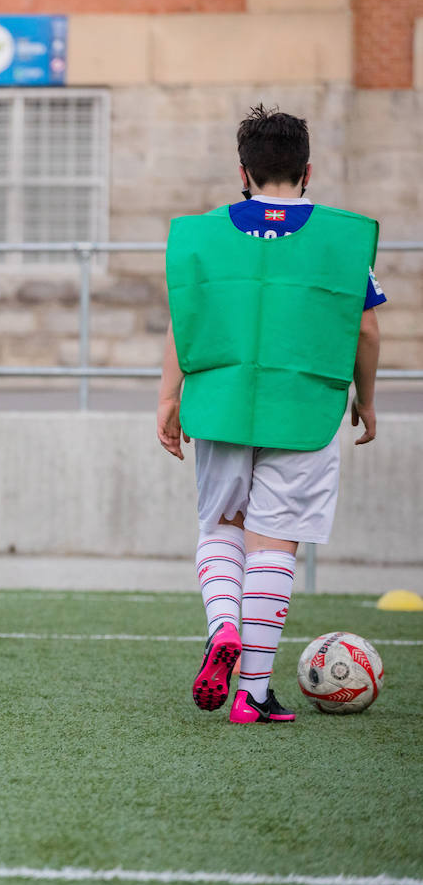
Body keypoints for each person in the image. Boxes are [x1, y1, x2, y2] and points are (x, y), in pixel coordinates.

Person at [158, 104, 383, 725]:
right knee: (273, 541)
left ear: (244, 171)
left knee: (222, 528)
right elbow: (365, 330)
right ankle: (252, 695)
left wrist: (168, 398)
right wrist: (366, 398)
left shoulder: (201, 236)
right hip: (303, 408)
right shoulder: (343, 240)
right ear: (307, 170)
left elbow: (185, 324)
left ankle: (222, 625)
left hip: (221, 403)